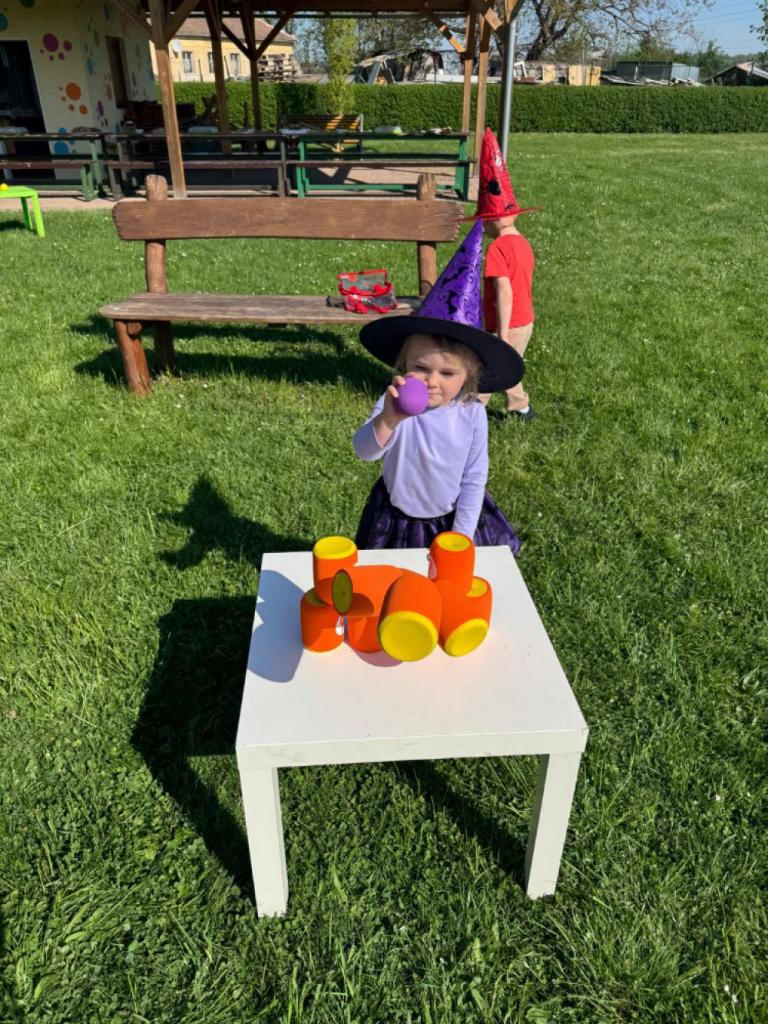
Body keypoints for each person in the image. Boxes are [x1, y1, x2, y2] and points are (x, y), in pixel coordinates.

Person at [353, 221, 524, 553]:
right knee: (394, 577)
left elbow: (474, 477)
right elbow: (364, 451)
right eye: (421, 368)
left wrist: (460, 537)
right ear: (404, 363)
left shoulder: (471, 412)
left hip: (449, 520)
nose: (432, 381)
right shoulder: (394, 402)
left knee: (445, 580)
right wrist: (388, 420)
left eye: (447, 373)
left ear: (469, 375)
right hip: (395, 517)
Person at [472, 128, 541, 423]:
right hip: (525, 321)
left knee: (489, 368)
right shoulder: (522, 243)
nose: (482, 227)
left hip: (507, 324)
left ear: (493, 220)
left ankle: (471, 410)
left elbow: (504, 291)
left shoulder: (498, 249)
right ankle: (520, 408)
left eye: (483, 221)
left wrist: (500, 331)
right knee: (506, 367)